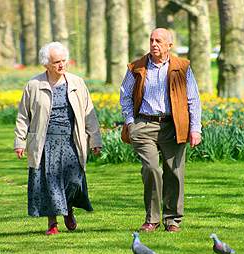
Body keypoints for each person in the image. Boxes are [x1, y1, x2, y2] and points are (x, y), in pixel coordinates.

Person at [13, 42, 102, 235]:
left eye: (64, 61)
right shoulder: (34, 85)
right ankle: (52, 222)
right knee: (47, 183)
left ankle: (68, 208)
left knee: (73, 180)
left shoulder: (77, 83)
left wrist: (95, 139)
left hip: (72, 139)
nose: (62, 65)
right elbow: (23, 116)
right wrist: (20, 141)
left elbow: (89, 114)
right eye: (56, 62)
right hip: (44, 141)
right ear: (46, 64)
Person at [119, 28, 201, 233]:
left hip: (174, 125)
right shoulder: (136, 67)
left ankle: (172, 221)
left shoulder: (182, 67)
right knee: (151, 169)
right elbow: (125, 96)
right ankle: (152, 219)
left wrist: (195, 129)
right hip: (144, 126)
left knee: (174, 173)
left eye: (159, 41)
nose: (154, 44)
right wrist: (130, 123)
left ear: (169, 45)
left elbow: (193, 99)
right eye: (152, 40)